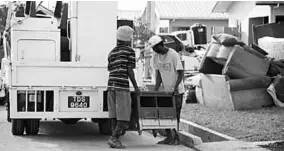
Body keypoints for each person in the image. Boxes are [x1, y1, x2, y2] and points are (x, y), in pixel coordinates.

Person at [147, 35, 185, 145]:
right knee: (165, 115)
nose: (154, 50)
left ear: (161, 45)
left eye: (155, 48)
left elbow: (181, 72)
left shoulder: (173, 54)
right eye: (153, 49)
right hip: (165, 91)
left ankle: (176, 138)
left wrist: (176, 87)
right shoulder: (156, 56)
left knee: (175, 115)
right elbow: (158, 73)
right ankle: (169, 137)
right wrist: (156, 89)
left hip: (177, 91)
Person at [107, 25, 140, 149]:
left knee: (114, 115)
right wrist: (136, 87)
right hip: (122, 86)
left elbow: (109, 68)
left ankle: (114, 139)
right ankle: (114, 138)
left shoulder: (112, 52)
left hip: (111, 85)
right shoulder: (129, 51)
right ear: (128, 39)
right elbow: (129, 70)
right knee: (124, 117)